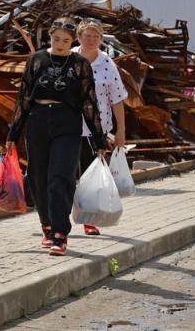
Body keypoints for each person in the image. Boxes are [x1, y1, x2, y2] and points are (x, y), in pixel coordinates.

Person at [6, 17, 107, 256]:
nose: (60, 43)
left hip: (67, 123)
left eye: (66, 40)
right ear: (49, 36)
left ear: (73, 41)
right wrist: (14, 133)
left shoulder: (80, 63)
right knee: (38, 177)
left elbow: (89, 103)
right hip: (38, 121)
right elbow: (24, 98)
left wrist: (99, 138)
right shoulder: (36, 60)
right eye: (56, 38)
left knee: (61, 177)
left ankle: (60, 234)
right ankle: (47, 225)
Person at [73, 18, 128, 236]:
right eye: (87, 35)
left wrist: (121, 130)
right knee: (66, 173)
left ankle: (90, 219)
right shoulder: (69, 58)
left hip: (96, 129)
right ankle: (59, 221)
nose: (91, 40)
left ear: (101, 39)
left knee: (91, 175)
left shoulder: (107, 64)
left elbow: (117, 99)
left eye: (96, 36)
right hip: (68, 126)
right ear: (79, 37)